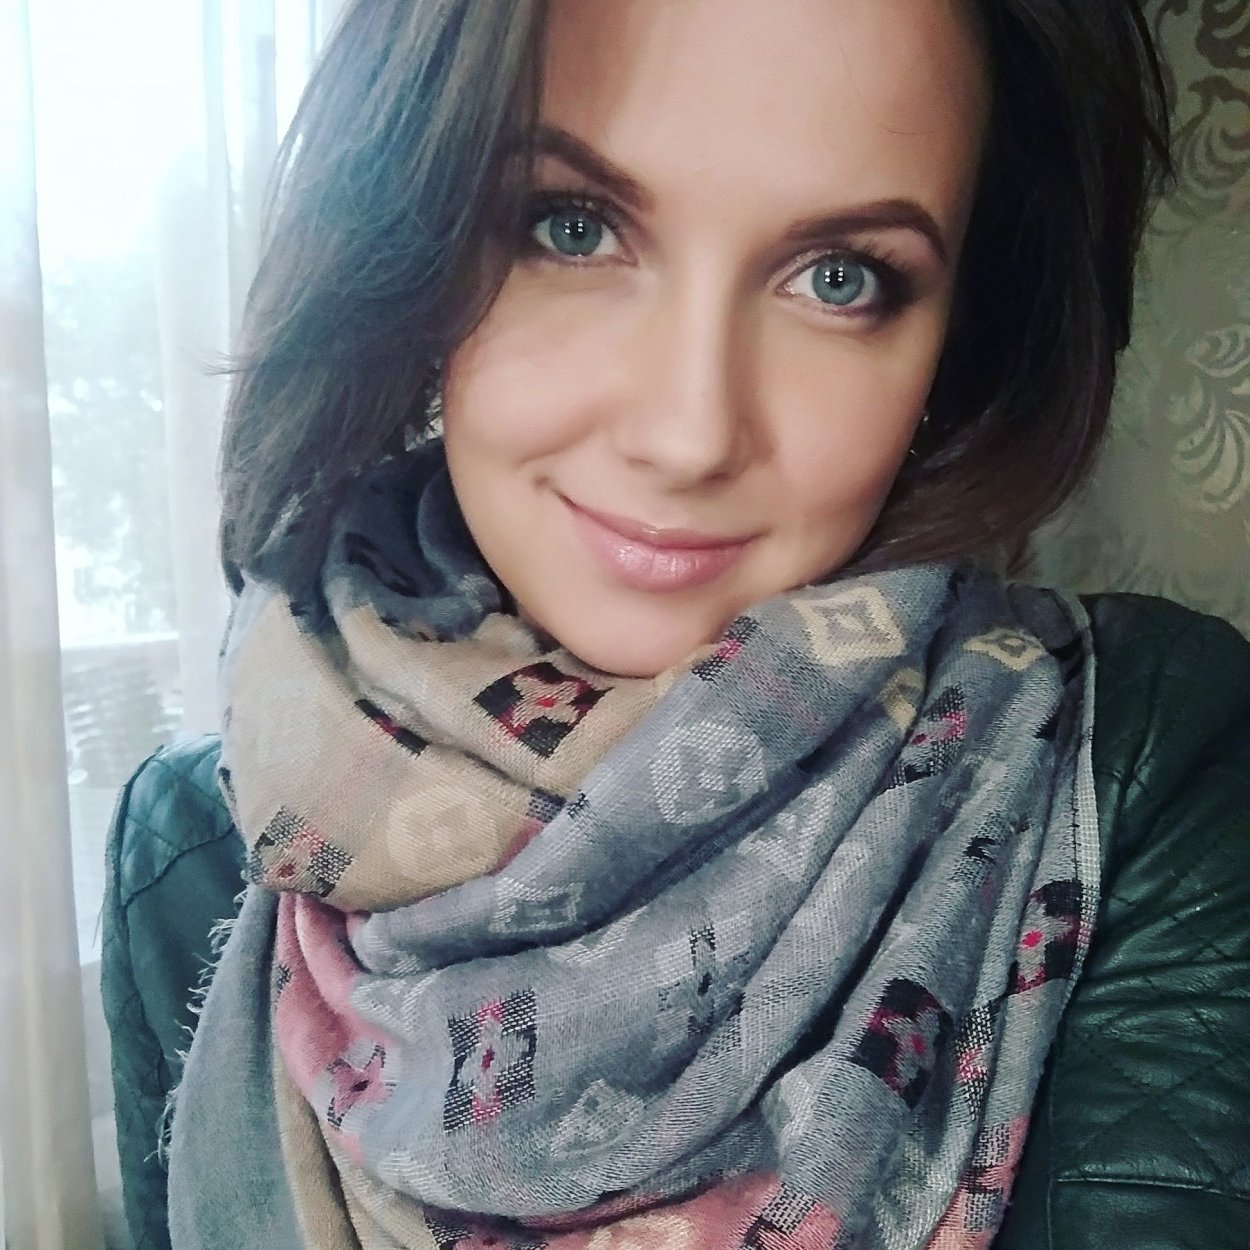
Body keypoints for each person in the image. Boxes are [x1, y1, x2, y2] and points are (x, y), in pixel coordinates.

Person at [101, 1, 1250, 1248]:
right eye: (570, 226)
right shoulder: (194, 845)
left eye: (839, 278)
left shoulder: (1145, 759)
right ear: (410, 247)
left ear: (956, 340)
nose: (689, 433)